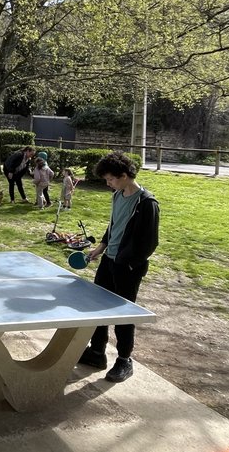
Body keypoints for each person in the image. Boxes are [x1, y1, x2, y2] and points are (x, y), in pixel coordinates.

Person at [77, 152, 159, 383]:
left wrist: (127, 262)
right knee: (97, 308)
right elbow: (113, 226)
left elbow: (150, 243)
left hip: (128, 268)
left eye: (111, 179)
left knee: (123, 314)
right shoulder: (118, 195)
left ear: (124, 176)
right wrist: (101, 248)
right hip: (108, 262)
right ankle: (97, 352)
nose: (108, 183)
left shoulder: (147, 203)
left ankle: (124, 360)